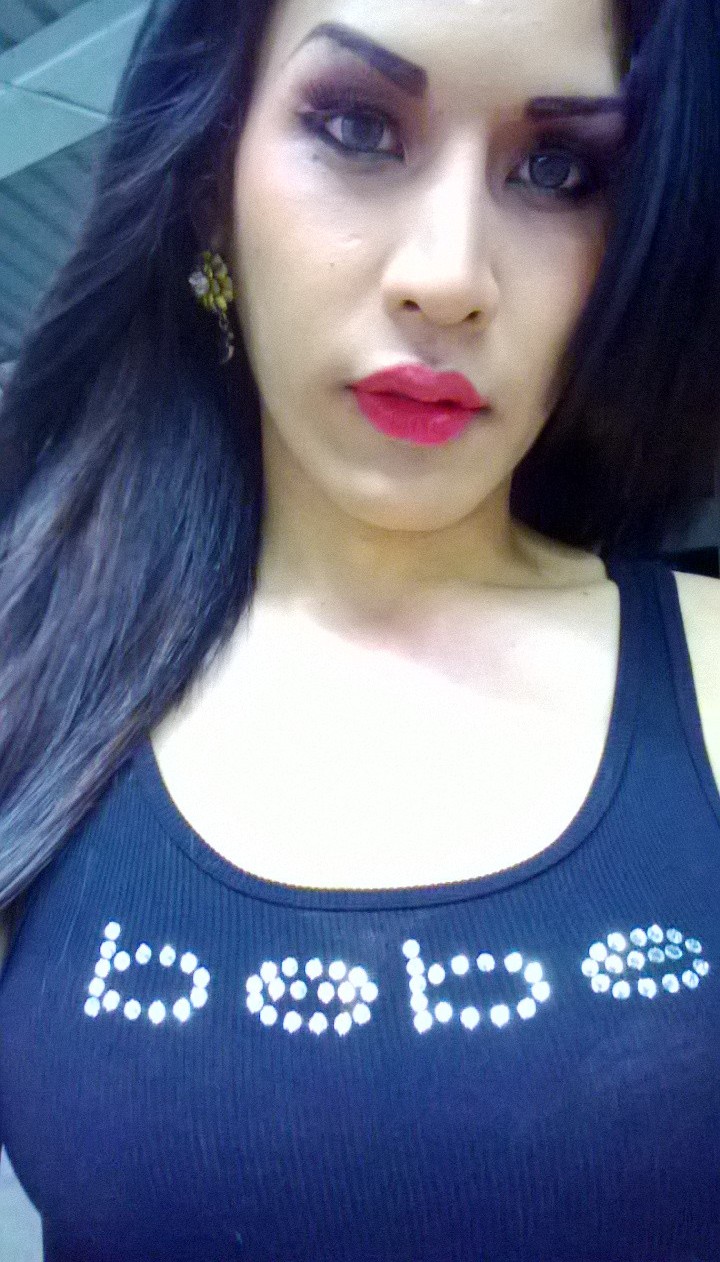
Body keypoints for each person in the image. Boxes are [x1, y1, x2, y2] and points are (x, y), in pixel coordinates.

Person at [0, 0, 719, 1257]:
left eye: (558, 171)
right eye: (357, 127)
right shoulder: (30, 685)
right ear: (209, 189)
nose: (449, 275)